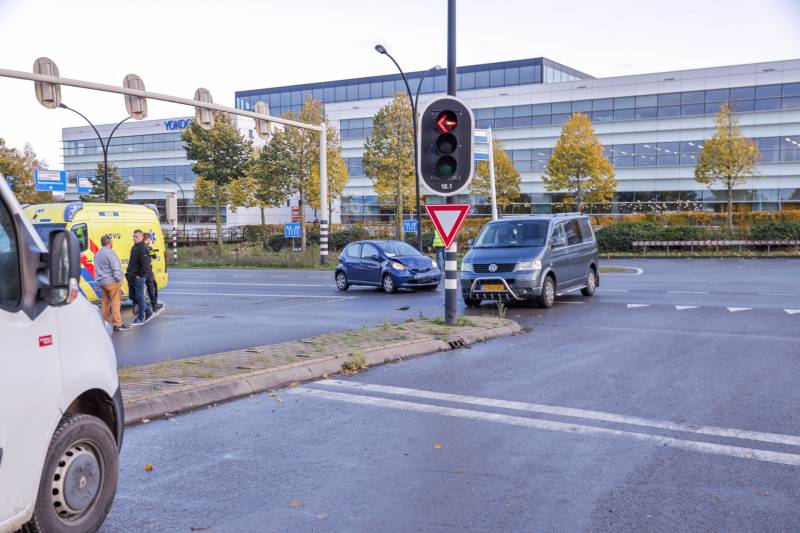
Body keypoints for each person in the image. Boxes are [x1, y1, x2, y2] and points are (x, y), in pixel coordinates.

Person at [94, 235, 128, 331]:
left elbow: (96, 268)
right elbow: (115, 268)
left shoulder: (98, 253)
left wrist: (99, 281)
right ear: (110, 242)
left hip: (102, 282)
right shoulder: (110, 253)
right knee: (115, 302)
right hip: (112, 281)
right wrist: (119, 279)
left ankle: (104, 322)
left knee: (104, 303)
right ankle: (117, 324)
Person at [127, 229, 153, 325]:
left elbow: (146, 266)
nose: (134, 238)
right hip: (132, 276)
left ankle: (141, 317)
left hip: (138, 277)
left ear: (142, 237)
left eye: (136, 236)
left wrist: (139, 276)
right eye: (134, 236)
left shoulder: (143, 248)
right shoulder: (134, 247)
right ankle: (148, 311)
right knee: (132, 296)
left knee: (139, 296)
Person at [143, 232, 161, 310]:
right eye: (150, 239)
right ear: (147, 239)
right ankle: (154, 304)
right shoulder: (149, 248)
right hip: (148, 270)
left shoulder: (137, 247)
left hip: (140, 271)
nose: (150, 240)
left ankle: (137, 306)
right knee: (152, 286)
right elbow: (154, 256)